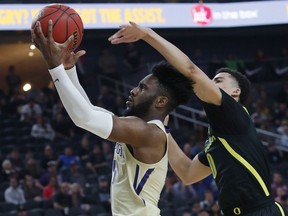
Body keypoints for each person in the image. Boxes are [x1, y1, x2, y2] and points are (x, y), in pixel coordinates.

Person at [107, 22, 288, 215]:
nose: (209, 83)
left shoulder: (234, 112)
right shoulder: (221, 137)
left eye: (218, 80)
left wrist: (147, 34)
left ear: (235, 92)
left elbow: (191, 72)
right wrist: (162, 130)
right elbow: (187, 173)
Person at [31, 20, 193, 216]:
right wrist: (68, 70)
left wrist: (54, 67)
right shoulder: (136, 127)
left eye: (142, 88)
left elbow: (85, 118)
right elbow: (88, 110)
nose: (133, 91)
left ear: (160, 101)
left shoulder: (148, 133)